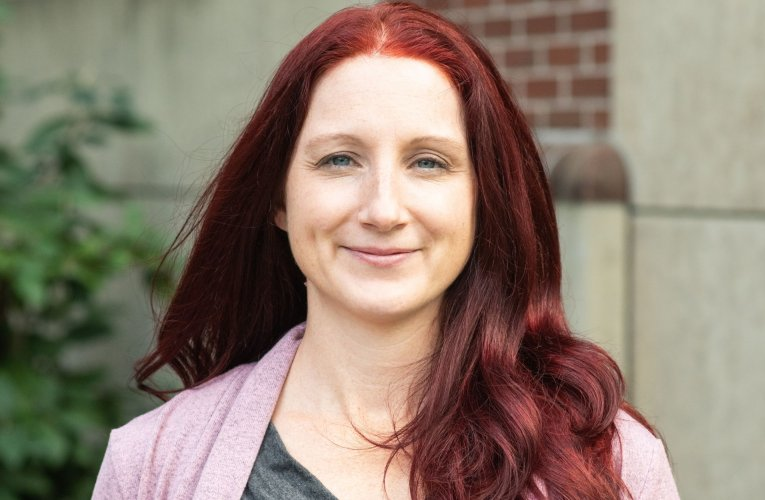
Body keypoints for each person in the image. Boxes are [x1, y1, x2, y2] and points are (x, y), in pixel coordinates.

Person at [93, 2, 679, 499]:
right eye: (339, 160)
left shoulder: (608, 462)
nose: (382, 210)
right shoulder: (151, 463)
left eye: (428, 162)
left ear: (483, 201)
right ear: (279, 198)